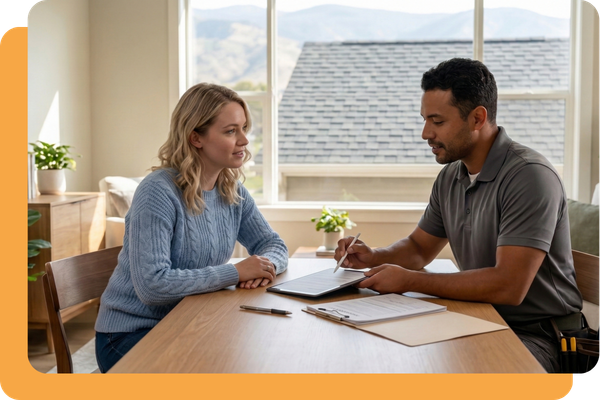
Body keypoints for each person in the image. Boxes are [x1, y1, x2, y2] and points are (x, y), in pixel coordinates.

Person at [334, 58, 583, 372]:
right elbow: (418, 248)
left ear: (477, 118)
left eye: (437, 121)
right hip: (475, 318)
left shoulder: (530, 176)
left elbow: (509, 286)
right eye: (425, 120)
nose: (426, 133)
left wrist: (410, 280)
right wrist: (372, 256)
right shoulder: (452, 175)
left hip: (538, 335)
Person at [95, 83, 288, 372]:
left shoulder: (230, 189)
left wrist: (264, 267)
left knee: (258, 359)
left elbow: (274, 245)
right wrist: (235, 272)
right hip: (130, 335)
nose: (245, 141)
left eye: (244, 128)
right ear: (196, 137)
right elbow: (152, 286)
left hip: (189, 320)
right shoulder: (158, 192)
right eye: (231, 131)